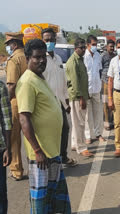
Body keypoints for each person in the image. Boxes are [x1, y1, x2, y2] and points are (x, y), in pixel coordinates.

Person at [16, 39, 71, 213]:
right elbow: (24, 118)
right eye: (37, 57)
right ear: (27, 59)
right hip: (40, 155)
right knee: (41, 202)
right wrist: (38, 151)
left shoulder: (40, 77)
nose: (41, 61)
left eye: (43, 57)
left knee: (54, 200)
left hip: (52, 152)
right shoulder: (26, 82)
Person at [41, 28, 77, 167]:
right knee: (50, 133)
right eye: (46, 40)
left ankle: (63, 157)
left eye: (51, 39)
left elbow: (63, 81)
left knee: (65, 129)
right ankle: (51, 161)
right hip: (46, 104)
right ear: (43, 41)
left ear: (56, 41)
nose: (49, 42)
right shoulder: (41, 60)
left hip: (60, 102)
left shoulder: (58, 58)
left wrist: (66, 101)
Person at [4, 32, 27, 181]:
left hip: (16, 102)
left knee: (14, 138)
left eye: (9, 45)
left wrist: (5, 102)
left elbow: (11, 85)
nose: (8, 48)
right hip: (29, 100)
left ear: (14, 44)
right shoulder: (28, 56)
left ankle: (16, 169)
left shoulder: (13, 60)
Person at [66, 38, 94, 157]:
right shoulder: (73, 62)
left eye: (84, 47)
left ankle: (75, 143)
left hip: (81, 95)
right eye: (81, 48)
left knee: (77, 122)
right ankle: (81, 147)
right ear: (75, 48)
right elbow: (75, 82)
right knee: (79, 124)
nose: (83, 50)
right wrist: (82, 98)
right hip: (77, 97)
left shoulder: (80, 59)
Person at [84, 35, 104, 144]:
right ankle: (88, 136)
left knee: (98, 113)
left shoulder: (98, 56)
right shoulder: (84, 56)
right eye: (93, 44)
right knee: (87, 114)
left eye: (96, 44)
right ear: (88, 45)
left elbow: (99, 71)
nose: (95, 47)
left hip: (96, 88)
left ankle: (98, 134)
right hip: (87, 89)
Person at [0, 81, 12, 214]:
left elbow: (7, 120)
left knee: (1, 191)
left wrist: (9, 149)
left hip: (0, 148)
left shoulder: (1, 87)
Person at [101, 39, 116, 130]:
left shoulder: (115, 56)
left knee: (113, 103)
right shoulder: (102, 56)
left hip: (114, 83)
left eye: (112, 47)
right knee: (106, 103)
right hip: (105, 82)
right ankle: (106, 123)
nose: (111, 48)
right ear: (107, 47)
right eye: (110, 46)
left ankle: (112, 121)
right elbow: (100, 68)